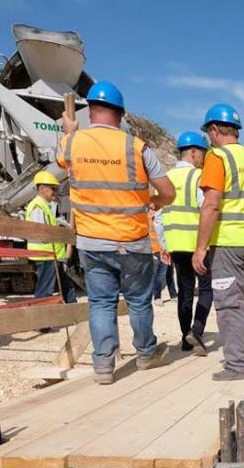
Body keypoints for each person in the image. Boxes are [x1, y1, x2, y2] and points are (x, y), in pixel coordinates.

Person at [57, 80, 175, 384]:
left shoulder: (72, 142)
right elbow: (167, 192)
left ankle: (104, 367)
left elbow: (61, 163)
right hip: (132, 240)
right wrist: (155, 202)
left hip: (92, 241)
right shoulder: (136, 147)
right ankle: (146, 354)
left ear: (89, 111)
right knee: (138, 301)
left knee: (101, 303)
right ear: (121, 115)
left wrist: (70, 132)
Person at [192, 103, 244, 381]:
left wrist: (201, 248)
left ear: (214, 129)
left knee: (228, 304)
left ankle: (239, 365)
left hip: (229, 243)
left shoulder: (218, 157)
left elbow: (211, 205)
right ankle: (243, 356)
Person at [163, 131, 211, 354]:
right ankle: (197, 331)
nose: (202, 157)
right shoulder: (198, 177)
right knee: (206, 289)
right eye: (201, 153)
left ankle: (184, 339)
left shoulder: (166, 178)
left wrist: (164, 244)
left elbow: (159, 215)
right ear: (193, 152)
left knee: (184, 291)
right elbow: (206, 210)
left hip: (175, 244)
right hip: (196, 245)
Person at [25, 170, 76, 308]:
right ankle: (43, 323)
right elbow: (41, 231)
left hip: (52, 255)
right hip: (45, 255)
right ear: (42, 189)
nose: (55, 192)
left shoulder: (45, 206)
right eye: (53, 189)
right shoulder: (37, 206)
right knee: (45, 290)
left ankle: (74, 311)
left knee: (66, 286)